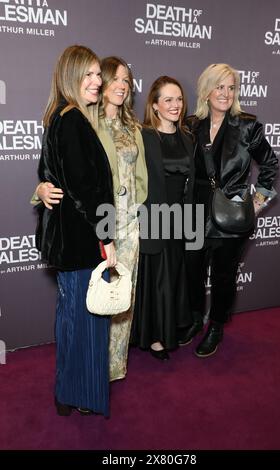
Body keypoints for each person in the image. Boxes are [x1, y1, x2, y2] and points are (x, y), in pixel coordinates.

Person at [34, 56, 148, 382]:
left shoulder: (134, 129)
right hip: (96, 226)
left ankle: (114, 367)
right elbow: (67, 174)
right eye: (115, 78)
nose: (121, 86)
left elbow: (141, 179)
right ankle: (90, 371)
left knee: (121, 299)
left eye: (127, 80)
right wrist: (40, 189)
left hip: (127, 223)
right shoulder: (84, 117)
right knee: (90, 303)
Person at [35, 45, 115, 417]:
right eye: (89, 75)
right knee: (86, 318)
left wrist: (42, 187)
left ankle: (68, 390)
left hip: (69, 240)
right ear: (71, 76)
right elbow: (85, 190)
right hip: (82, 239)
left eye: (99, 74)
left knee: (72, 315)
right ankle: (79, 392)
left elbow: (51, 175)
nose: (97, 81)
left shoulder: (57, 116)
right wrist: (108, 236)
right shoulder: (72, 120)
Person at [182, 63, 278, 357]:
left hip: (230, 217)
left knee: (223, 275)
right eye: (219, 86)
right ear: (206, 90)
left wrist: (256, 202)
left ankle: (216, 327)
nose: (225, 93)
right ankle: (196, 319)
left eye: (231, 87)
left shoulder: (248, 125)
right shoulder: (191, 125)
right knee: (192, 271)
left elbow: (270, 166)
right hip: (194, 213)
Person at [130, 76, 194, 360]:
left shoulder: (187, 137)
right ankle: (156, 336)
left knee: (175, 275)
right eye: (168, 99)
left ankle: (171, 328)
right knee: (157, 278)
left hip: (181, 218)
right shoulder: (142, 137)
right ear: (154, 105)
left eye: (178, 99)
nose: (175, 105)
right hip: (154, 217)